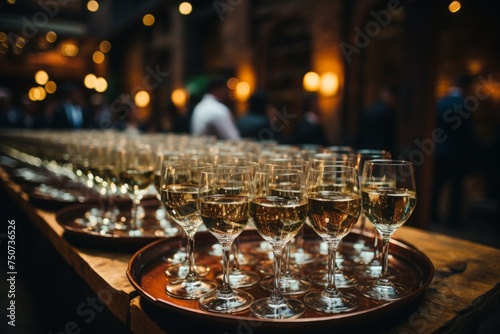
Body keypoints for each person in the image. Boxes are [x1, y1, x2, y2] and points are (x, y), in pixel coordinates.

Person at [431, 73, 476, 227]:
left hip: (437, 151)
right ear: (467, 87)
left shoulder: (440, 102)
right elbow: (467, 134)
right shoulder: (464, 104)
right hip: (456, 153)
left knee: (436, 185)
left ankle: (432, 216)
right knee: (456, 188)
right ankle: (453, 220)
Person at [356, 85, 399, 156]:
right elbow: (391, 138)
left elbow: (359, 136)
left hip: (364, 152)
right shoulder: (389, 112)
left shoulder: (367, 110)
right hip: (381, 154)